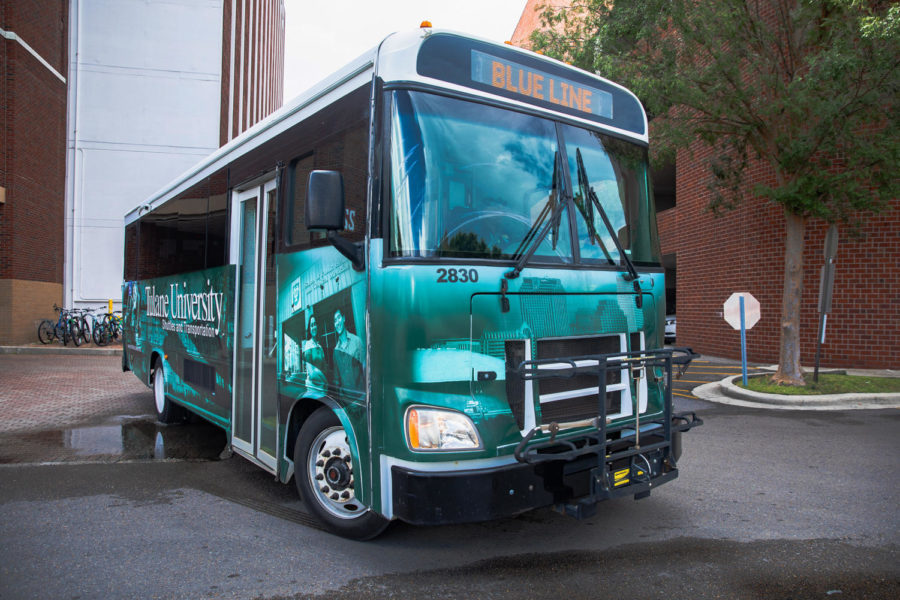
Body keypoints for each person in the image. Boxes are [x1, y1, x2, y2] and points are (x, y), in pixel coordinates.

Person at [332, 308, 364, 391]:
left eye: (339, 318)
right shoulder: (335, 352)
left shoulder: (357, 341)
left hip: (360, 396)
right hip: (345, 400)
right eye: (335, 320)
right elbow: (336, 379)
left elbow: (366, 369)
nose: (337, 322)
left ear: (344, 318)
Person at [302, 314, 327, 390]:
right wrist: (325, 381)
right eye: (311, 325)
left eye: (315, 324)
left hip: (322, 389)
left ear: (317, 326)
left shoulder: (320, 347)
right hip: (313, 389)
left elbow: (325, 368)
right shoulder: (308, 345)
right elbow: (312, 374)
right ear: (309, 329)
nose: (313, 327)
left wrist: (317, 371)